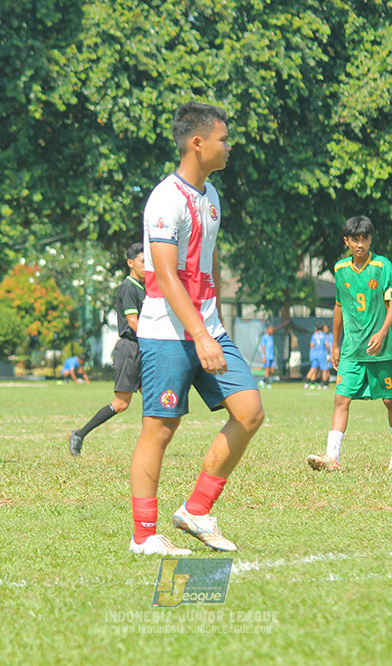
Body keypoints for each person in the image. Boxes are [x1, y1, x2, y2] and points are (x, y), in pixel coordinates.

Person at [129, 101, 264, 556]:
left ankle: (196, 510)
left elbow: (208, 264)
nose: (230, 147)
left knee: (249, 411)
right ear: (197, 142)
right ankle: (144, 536)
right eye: (224, 139)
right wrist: (200, 336)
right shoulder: (165, 199)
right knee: (160, 429)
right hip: (166, 334)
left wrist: (215, 324)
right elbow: (165, 276)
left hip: (207, 327)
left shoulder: (211, 197)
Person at [306, 215, 392, 473]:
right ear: (347, 241)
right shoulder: (340, 270)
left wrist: (383, 332)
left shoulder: (383, 266)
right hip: (351, 349)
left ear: (371, 239)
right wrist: (336, 345)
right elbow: (339, 306)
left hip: (381, 349)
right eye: (355, 239)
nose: (360, 244)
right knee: (341, 399)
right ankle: (332, 457)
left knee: (389, 401)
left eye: (364, 239)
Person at [68, 243, 146, 456]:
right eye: (142, 261)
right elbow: (133, 322)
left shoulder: (145, 287)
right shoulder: (129, 287)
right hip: (129, 349)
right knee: (121, 404)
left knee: (153, 397)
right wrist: (155, 339)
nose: (147, 266)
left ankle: (149, 446)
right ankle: (80, 434)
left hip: (142, 348)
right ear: (130, 263)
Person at [304, 324, 322, 389]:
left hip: (314, 354)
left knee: (314, 368)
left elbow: (311, 345)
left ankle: (313, 383)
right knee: (316, 369)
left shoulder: (314, 335)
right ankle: (307, 381)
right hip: (321, 354)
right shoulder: (323, 335)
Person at [319, 323, 333, 388]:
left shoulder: (331, 336)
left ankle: (326, 383)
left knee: (327, 369)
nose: (324, 329)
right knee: (322, 369)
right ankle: (322, 382)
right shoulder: (322, 335)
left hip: (328, 354)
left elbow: (332, 346)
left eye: (325, 328)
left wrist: (331, 354)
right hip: (323, 355)